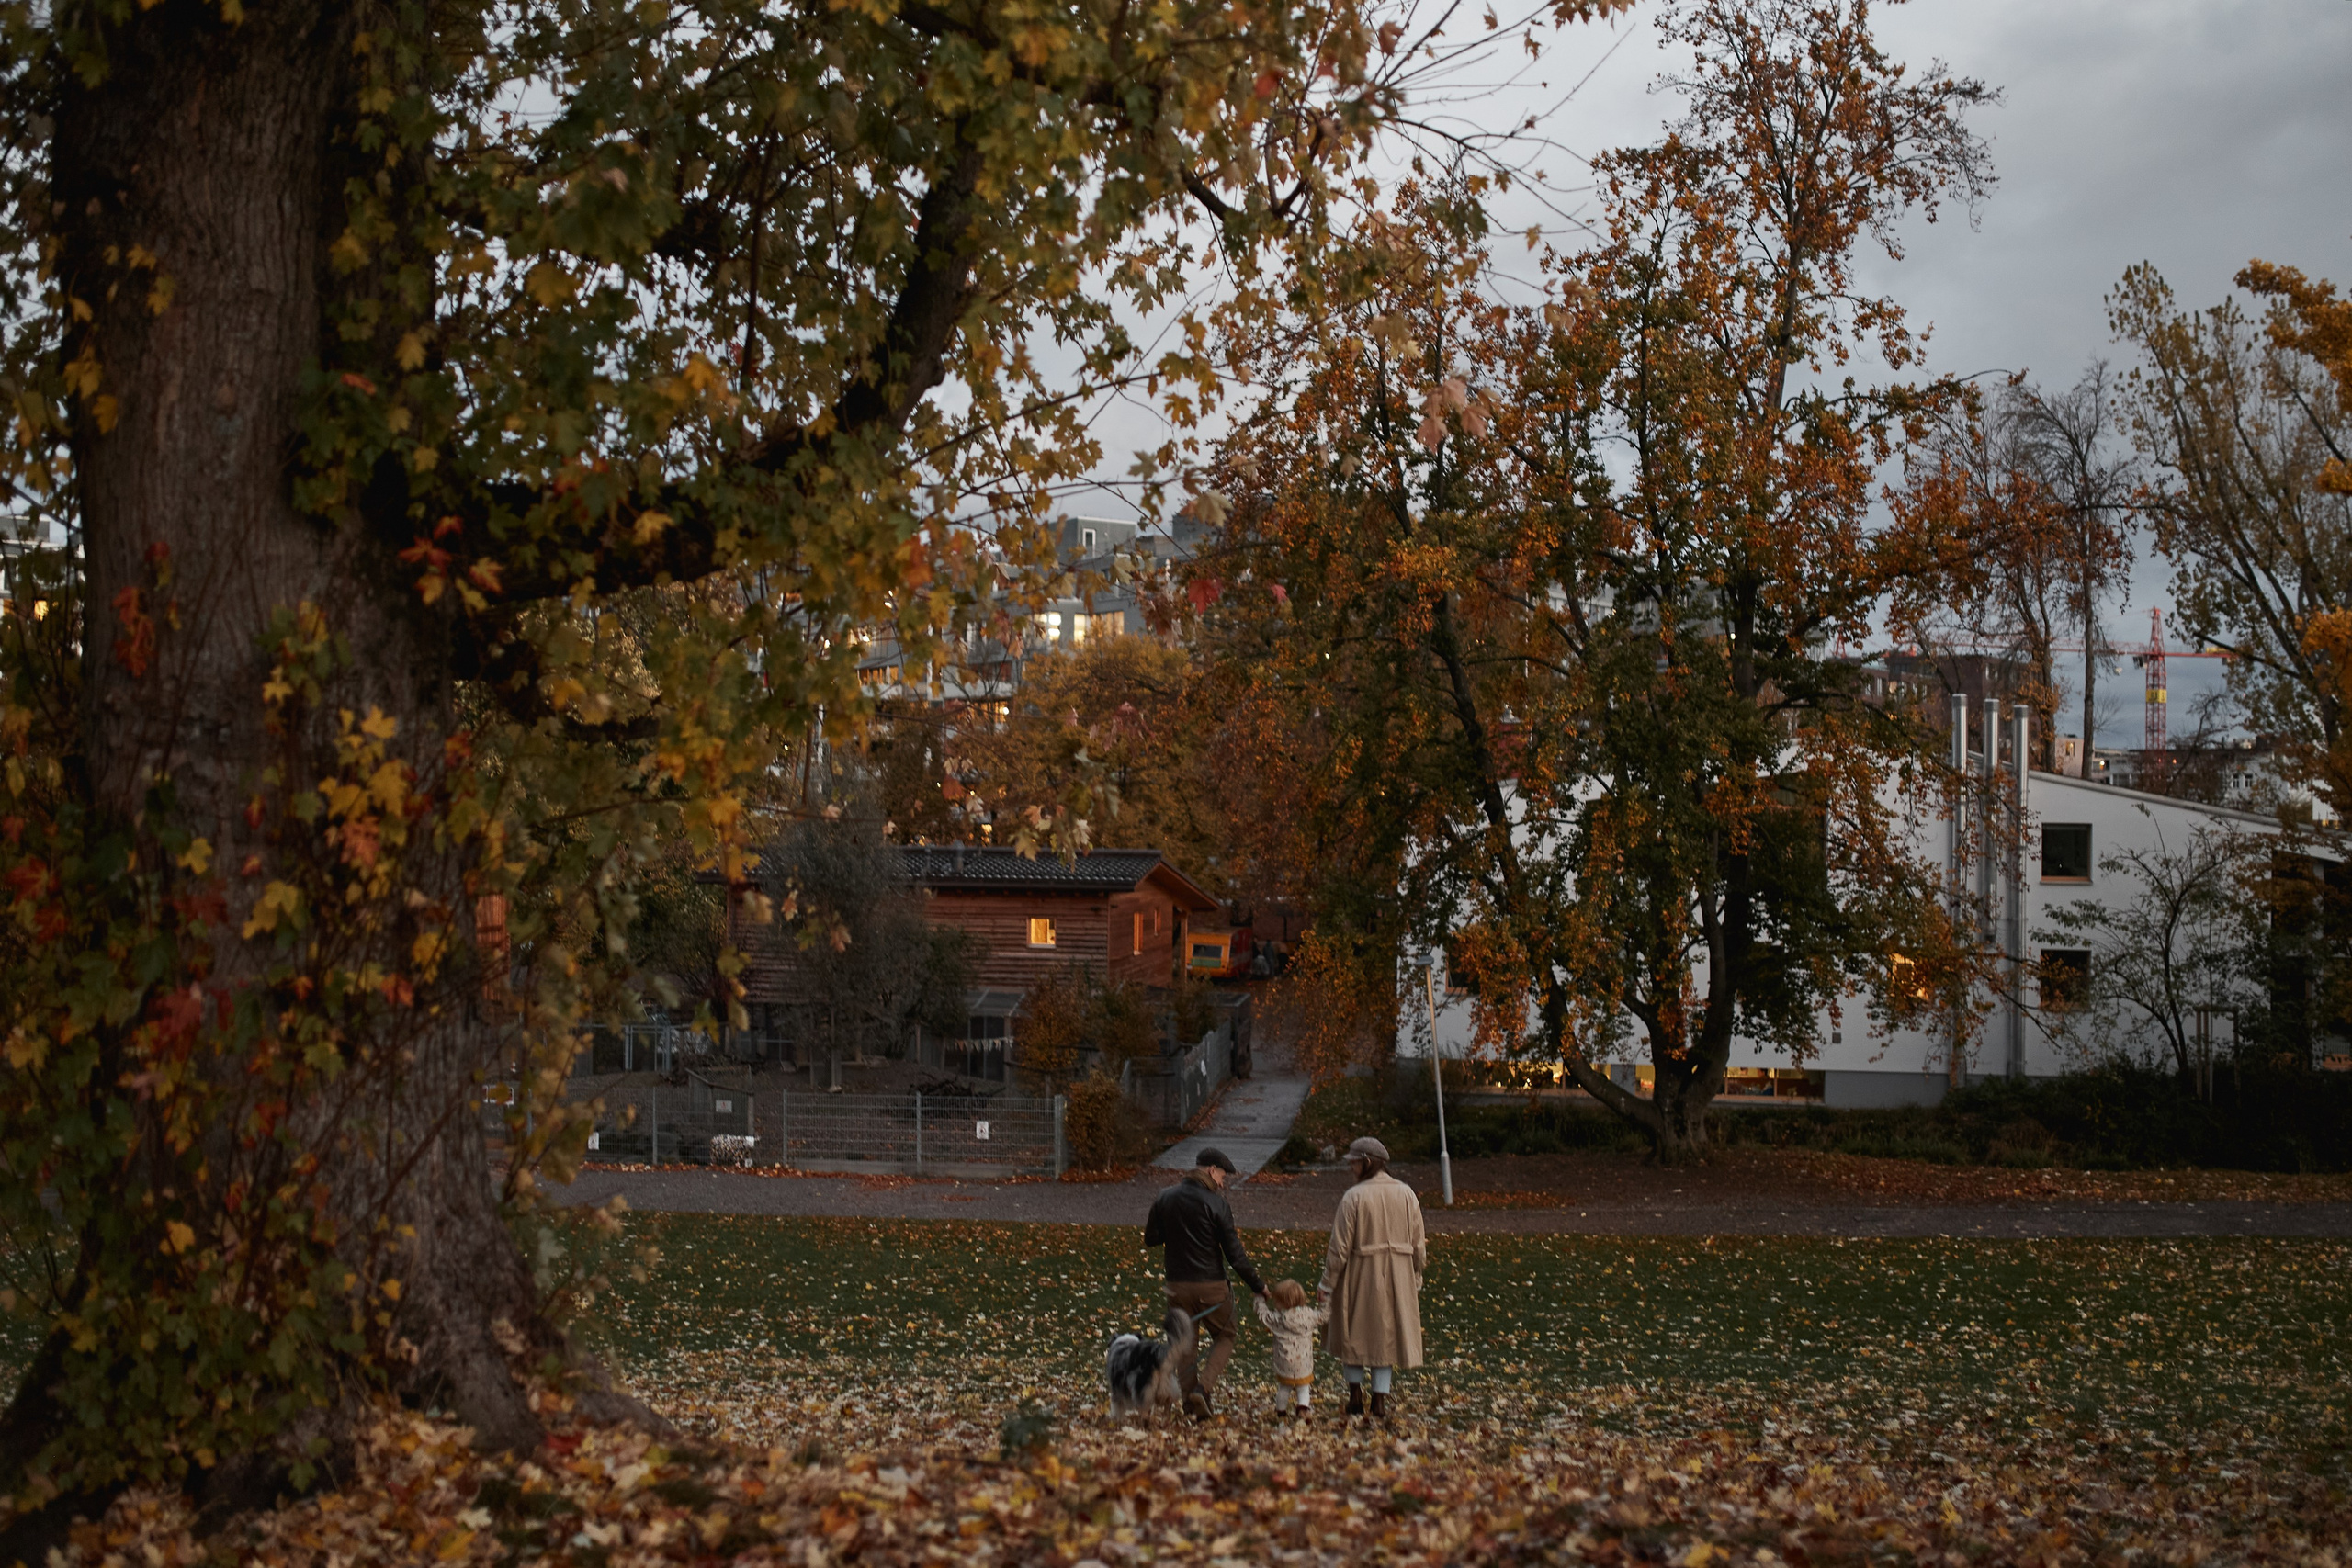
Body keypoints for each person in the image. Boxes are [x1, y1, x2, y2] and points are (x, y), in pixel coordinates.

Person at [1143, 1146, 1267, 1418]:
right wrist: (1259, 1286)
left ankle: (1191, 1406)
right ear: (1211, 1170)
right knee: (1226, 1334)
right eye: (1222, 1176)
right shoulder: (1217, 1204)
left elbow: (1150, 1238)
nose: (1222, 1184)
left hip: (1177, 1286)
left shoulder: (1165, 1196)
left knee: (1185, 1344)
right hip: (1211, 1286)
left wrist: (1175, 1232)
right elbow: (1235, 1255)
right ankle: (1203, 1388)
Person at [1317, 1135, 1425, 1422]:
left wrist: (1327, 1283)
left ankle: (1355, 1396)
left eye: (1354, 1163)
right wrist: (1416, 1273)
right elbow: (1418, 1242)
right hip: (1398, 1276)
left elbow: (1339, 1247)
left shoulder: (1354, 1197)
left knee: (1353, 1334)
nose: (1351, 1168)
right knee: (1384, 1339)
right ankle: (1378, 1400)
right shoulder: (1406, 1194)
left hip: (1360, 1274)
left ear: (1367, 1162)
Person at [1253, 1279, 1327, 1418]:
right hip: (1303, 1363)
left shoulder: (1278, 1319)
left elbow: (1262, 1314)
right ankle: (1303, 1408)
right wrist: (1324, 1301)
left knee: (1284, 1388)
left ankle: (1281, 1411)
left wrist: (1259, 1299)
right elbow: (1323, 1315)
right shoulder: (1309, 1316)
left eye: (1277, 1301)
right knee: (1303, 1388)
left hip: (1284, 1363)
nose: (1275, 1304)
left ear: (1283, 1302)